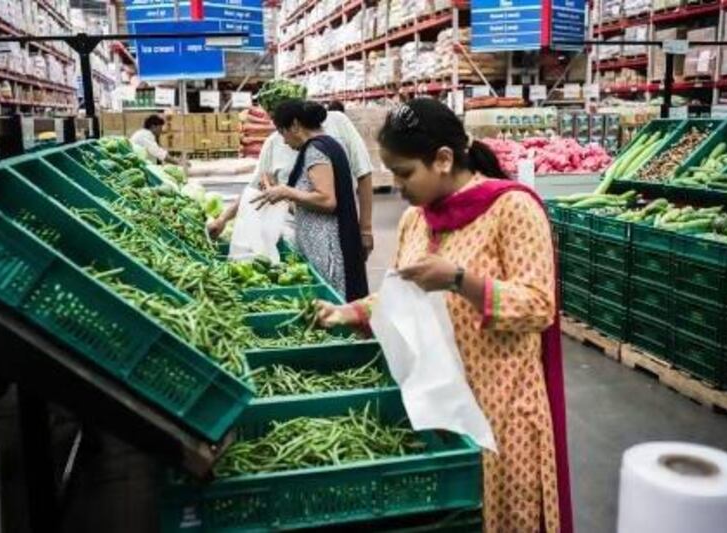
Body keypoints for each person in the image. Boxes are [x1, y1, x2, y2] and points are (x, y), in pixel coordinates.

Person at [315, 99, 573, 532]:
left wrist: (459, 279)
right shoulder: (416, 221)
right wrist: (351, 312)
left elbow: (537, 305)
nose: (398, 187)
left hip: (501, 410)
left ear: (443, 159)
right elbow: (403, 298)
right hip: (440, 406)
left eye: (404, 173)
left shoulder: (512, 210)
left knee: (502, 517)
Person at [207, 85, 374, 258]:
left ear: (294, 121)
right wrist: (223, 219)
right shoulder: (274, 143)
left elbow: (359, 177)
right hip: (299, 232)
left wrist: (366, 230)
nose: (282, 138)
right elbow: (255, 188)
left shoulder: (327, 136)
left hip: (340, 226)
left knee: (338, 274)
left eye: (279, 123)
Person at [252, 99, 368, 301]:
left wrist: (287, 191)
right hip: (327, 245)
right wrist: (279, 194)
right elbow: (310, 201)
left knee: (333, 305)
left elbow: (327, 200)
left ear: (295, 125)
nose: (284, 142)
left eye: (283, 133)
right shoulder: (328, 145)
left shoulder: (316, 150)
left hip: (328, 249)